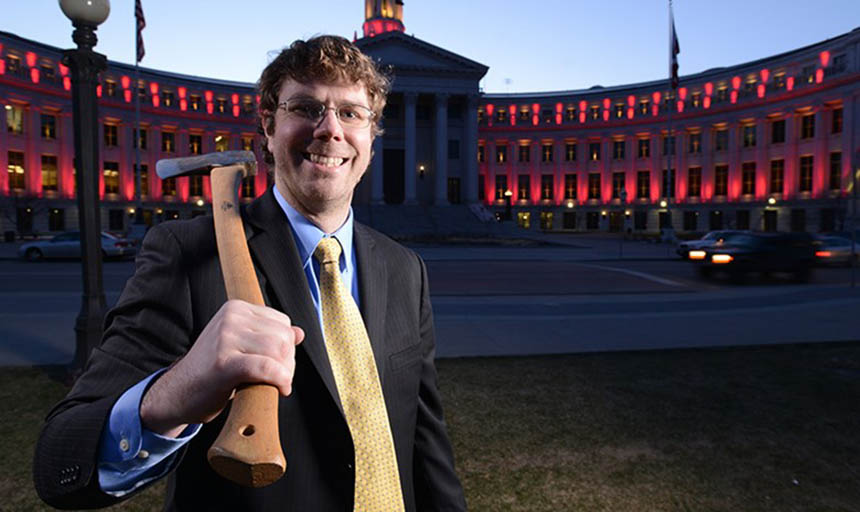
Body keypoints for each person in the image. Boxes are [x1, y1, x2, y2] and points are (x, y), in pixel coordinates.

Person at [33, 35, 467, 511]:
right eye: (305, 107)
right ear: (267, 126)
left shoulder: (405, 269)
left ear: (371, 134)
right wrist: (174, 394)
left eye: (351, 113)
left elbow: (426, 444)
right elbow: (61, 460)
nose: (329, 130)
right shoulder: (188, 253)